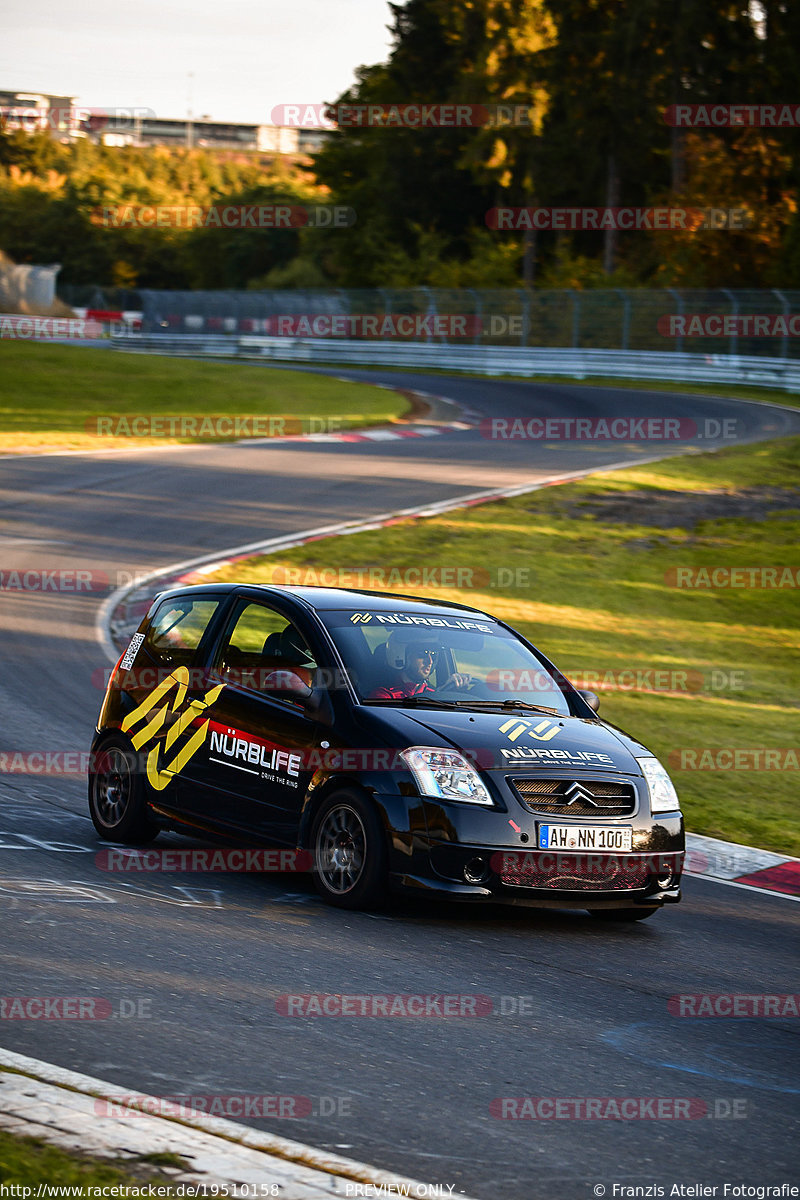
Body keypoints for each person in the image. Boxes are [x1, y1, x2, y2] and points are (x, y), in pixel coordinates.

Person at [369, 639, 472, 700]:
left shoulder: (433, 692)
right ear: (401, 656)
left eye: (433, 654)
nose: (430, 661)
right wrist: (438, 695)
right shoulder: (384, 696)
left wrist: (454, 694)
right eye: (423, 653)